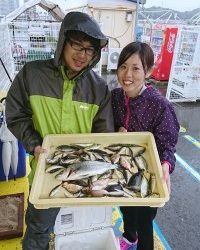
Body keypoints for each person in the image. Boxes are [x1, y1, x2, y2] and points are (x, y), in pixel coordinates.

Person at [5, 11, 114, 250]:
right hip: (45, 171)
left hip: (85, 173)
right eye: (77, 45)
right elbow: (16, 114)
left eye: (89, 50)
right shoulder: (31, 74)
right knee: (38, 229)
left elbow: (103, 134)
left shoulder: (99, 88)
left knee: (80, 227)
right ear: (63, 41)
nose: (82, 54)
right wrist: (33, 144)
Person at [111, 41, 180, 250]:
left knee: (144, 217)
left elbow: (168, 143)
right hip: (122, 168)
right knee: (126, 208)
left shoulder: (160, 105)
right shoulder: (114, 96)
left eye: (135, 68)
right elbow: (107, 125)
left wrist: (166, 166)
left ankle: (143, 244)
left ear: (148, 71)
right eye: (123, 66)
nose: (127, 74)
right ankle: (130, 237)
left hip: (149, 173)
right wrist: (116, 132)